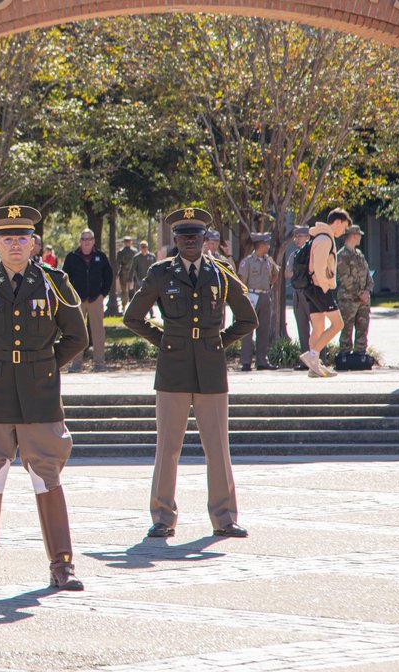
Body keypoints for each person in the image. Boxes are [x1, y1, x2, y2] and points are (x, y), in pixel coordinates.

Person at [0, 205, 89, 592]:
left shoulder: (55, 283)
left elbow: (77, 337)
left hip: (39, 394)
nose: (15, 244)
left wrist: (42, 365)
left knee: (47, 477)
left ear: (34, 243)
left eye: (22, 237)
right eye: (7, 238)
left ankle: (62, 564)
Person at [123, 207, 257, 540]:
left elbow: (247, 318)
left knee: (218, 448)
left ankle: (225, 517)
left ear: (205, 240)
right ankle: (162, 517)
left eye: (196, 237)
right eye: (184, 238)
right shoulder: (160, 274)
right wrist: (165, 341)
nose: (190, 243)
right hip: (174, 368)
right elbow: (133, 317)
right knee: (168, 447)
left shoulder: (220, 273)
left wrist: (219, 343)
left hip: (211, 369)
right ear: (176, 240)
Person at [301, 209, 352, 378]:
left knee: (319, 328)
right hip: (319, 288)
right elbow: (319, 267)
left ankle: (313, 367)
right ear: (337, 222)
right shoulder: (325, 239)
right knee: (338, 324)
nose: (343, 232)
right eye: (343, 227)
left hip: (312, 287)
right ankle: (312, 355)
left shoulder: (320, 237)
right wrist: (324, 287)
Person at [62, 229, 113, 372]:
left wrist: (103, 294)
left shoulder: (101, 257)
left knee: (98, 332)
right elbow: (64, 279)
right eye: (84, 239)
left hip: (96, 299)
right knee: (78, 332)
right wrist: (70, 296)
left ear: (94, 241)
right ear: (80, 241)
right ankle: (76, 364)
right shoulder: (72, 257)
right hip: (77, 300)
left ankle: (99, 363)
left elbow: (109, 276)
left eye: (89, 239)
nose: (86, 242)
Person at [237, 233, 280, 371]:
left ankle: (262, 360)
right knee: (248, 330)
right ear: (260, 245)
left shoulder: (269, 260)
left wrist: (269, 285)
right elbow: (242, 280)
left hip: (265, 296)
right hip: (251, 296)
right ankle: (246, 361)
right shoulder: (248, 261)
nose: (268, 246)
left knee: (264, 329)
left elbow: (276, 273)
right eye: (266, 244)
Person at [336, 225, 373, 357]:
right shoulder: (341, 255)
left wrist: (367, 291)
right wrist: (359, 293)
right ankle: (345, 355)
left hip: (363, 301)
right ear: (352, 236)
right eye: (358, 235)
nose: (360, 237)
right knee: (347, 328)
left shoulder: (359, 255)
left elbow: (368, 275)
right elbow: (345, 278)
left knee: (363, 327)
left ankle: (360, 354)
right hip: (348, 300)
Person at [284, 225, 312, 367]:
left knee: (317, 328)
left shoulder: (313, 253)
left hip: (311, 292)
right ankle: (306, 361)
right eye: (296, 237)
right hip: (297, 293)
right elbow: (287, 273)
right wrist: (299, 272)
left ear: (308, 237)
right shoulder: (294, 255)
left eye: (300, 236)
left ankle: (320, 359)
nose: (297, 240)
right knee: (302, 328)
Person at [115, 236, 138, 308]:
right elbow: (118, 263)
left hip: (133, 273)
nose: (128, 243)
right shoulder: (121, 252)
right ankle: (124, 305)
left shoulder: (134, 251)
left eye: (129, 241)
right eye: (126, 241)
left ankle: (133, 305)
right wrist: (117, 272)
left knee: (133, 289)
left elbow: (137, 262)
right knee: (124, 290)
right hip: (124, 272)